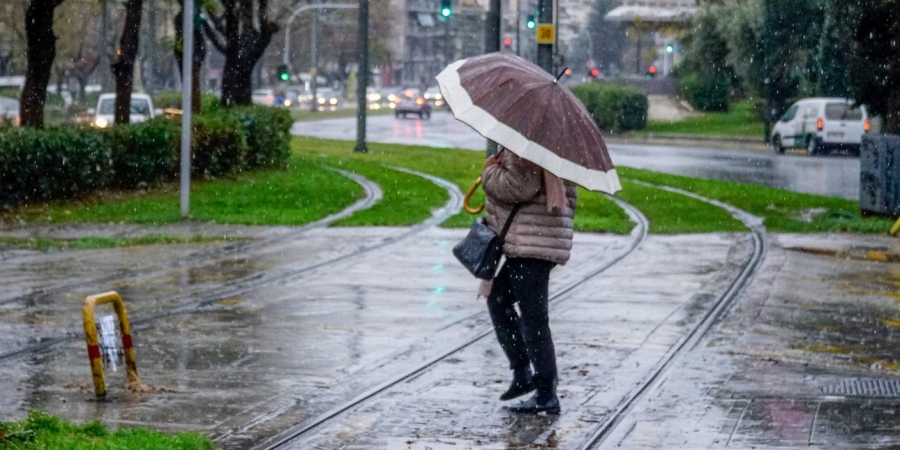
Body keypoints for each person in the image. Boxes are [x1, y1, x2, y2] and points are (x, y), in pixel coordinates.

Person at [479, 146, 577, 415]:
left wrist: (489, 172)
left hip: (532, 241)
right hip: (538, 237)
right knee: (499, 299)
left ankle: (545, 393)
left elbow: (518, 186)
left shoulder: (528, 145)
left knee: (534, 318)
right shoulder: (554, 146)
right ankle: (523, 373)